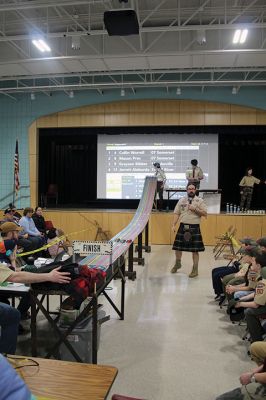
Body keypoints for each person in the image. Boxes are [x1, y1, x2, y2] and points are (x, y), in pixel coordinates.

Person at [0, 221, 71, 353]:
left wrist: (14, 262)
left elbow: (10, 269)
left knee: (17, 305)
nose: (19, 234)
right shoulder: (8, 243)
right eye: (17, 232)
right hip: (5, 285)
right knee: (26, 294)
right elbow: (13, 275)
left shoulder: (5, 245)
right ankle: (5, 358)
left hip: (7, 278)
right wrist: (48, 277)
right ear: (11, 233)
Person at [171, 183, 207, 278]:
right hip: (183, 227)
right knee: (177, 248)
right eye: (189, 189)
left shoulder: (200, 201)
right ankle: (178, 263)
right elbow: (176, 213)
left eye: (193, 189)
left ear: (195, 190)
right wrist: (174, 224)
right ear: (186, 190)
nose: (191, 190)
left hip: (194, 227)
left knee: (195, 250)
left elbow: (205, 213)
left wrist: (195, 209)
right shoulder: (182, 200)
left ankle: (195, 269)